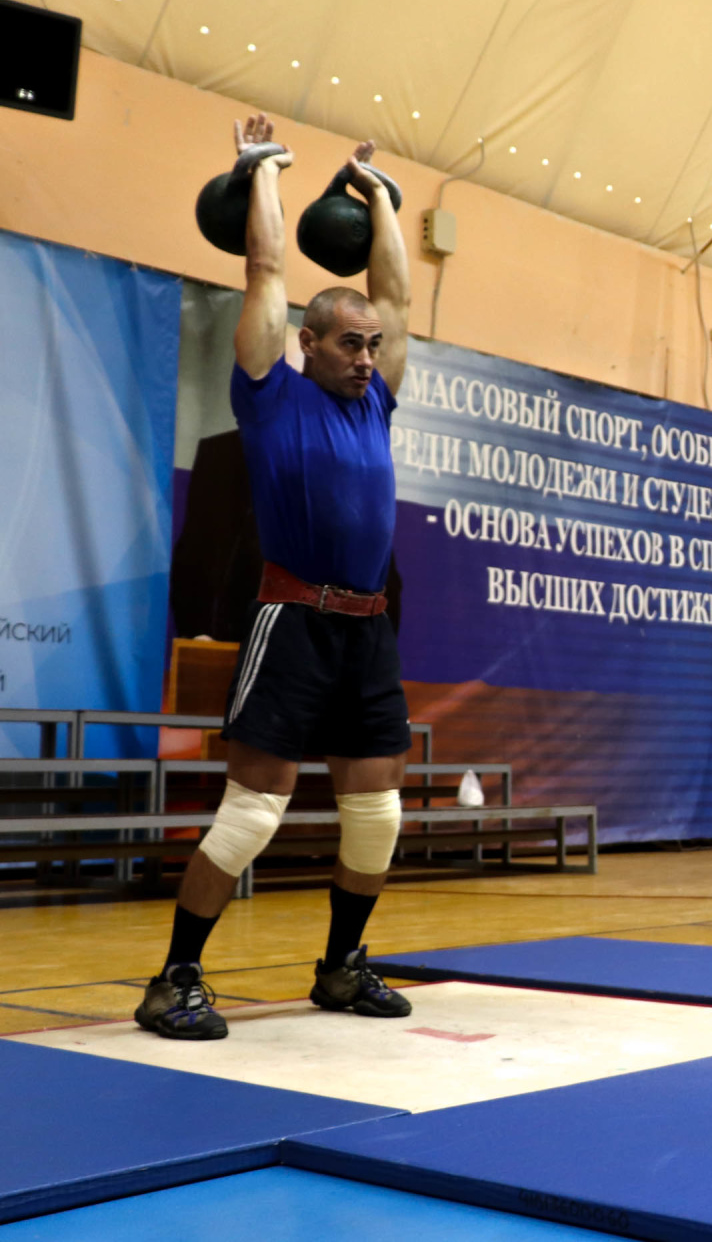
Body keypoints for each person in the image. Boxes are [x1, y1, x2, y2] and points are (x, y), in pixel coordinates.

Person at [136, 114, 415, 1039]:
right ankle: (175, 977)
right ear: (310, 342)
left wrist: (377, 201)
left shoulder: (377, 399)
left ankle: (340, 967)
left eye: (372, 347)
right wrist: (263, 170)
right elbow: (264, 272)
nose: (368, 357)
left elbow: (398, 297)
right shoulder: (269, 389)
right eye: (351, 345)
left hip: (367, 629)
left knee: (375, 814)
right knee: (253, 811)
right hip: (293, 619)